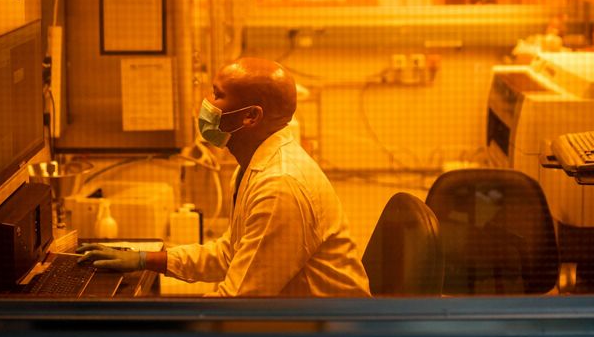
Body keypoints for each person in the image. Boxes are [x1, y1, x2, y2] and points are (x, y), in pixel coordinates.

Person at [77, 57, 372, 297]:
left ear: (250, 117)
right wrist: (146, 260)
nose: (205, 103)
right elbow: (230, 255)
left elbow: (239, 302)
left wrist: (164, 327)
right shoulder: (254, 165)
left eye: (217, 95)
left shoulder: (280, 186)